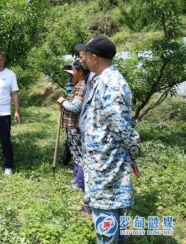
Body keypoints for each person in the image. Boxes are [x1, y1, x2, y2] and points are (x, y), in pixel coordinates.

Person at [76, 36, 139, 244]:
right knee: (112, 210)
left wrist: (134, 149)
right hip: (102, 161)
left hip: (107, 163)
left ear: (95, 58)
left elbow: (120, 127)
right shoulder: (103, 79)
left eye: (86, 55)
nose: (83, 59)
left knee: (106, 213)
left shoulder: (111, 83)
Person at [57, 59, 88, 190]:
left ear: (80, 72)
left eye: (74, 70)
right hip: (71, 126)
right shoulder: (78, 83)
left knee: (78, 153)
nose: (72, 73)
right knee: (75, 153)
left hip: (75, 126)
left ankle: (80, 183)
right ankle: (76, 179)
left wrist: (63, 101)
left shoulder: (81, 85)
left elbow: (76, 107)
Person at [60, 64, 74, 166]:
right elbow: (68, 95)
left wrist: (64, 102)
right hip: (68, 113)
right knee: (69, 137)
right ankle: (65, 159)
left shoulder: (78, 83)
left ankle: (65, 160)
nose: (68, 75)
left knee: (71, 138)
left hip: (74, 115)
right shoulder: (69, 81)